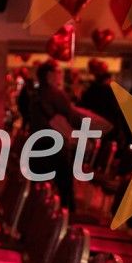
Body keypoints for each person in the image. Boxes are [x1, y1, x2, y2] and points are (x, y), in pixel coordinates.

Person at [28, 59, 80, 211]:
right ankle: (65, 221)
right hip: (55, 145)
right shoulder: (57, 95)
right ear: (50, 74)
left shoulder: (35, 94)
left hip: (36, 144)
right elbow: (71, 118)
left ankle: (33, 222)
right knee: (65, 188)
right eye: (58, 72)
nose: (61, 75)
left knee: (37, 188)